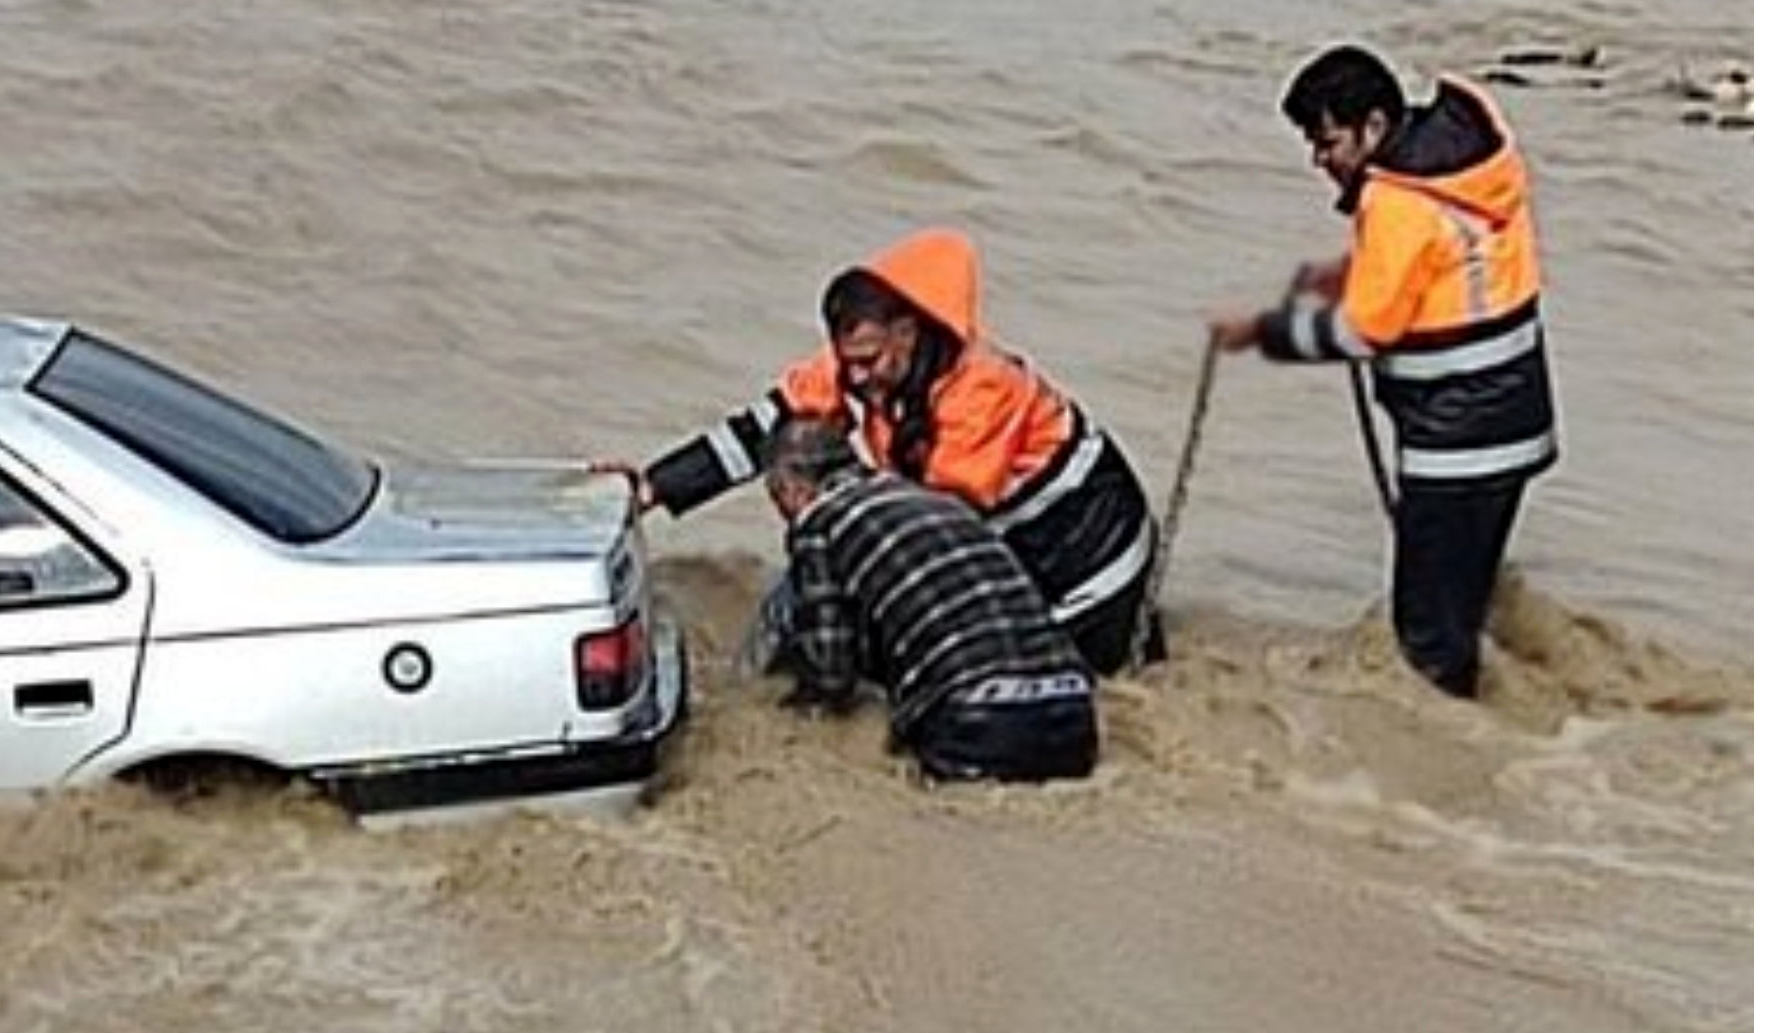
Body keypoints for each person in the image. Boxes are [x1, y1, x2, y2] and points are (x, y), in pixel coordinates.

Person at [622, 227, 1163, 674]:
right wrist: (652, 487)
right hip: (1009, 539)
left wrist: (828, 533)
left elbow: (935, 522)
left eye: (870, 360)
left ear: (906, 333)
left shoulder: (984, 389)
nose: (856, 377)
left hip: (1089, 565)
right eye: (847, 360)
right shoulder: (860, 360)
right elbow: (761, 427)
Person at [1208, 45, 1557, 699]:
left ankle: (1449, 759)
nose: (1319, 159)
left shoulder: (1395, 203)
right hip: (1516, 422)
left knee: (1423, 639)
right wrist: (1349, 274)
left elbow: (1360, 331)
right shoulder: (1460, 169)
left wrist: (1261, 331)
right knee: (1464, 604)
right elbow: (1451, 263)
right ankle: (1498, 726)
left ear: (1372, 127)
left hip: (1458, 444)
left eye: (1326, 139)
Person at [757, 416, 1099, 784]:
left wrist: (777, 713)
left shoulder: (820, 522)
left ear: (790, 488)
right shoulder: (936, 500)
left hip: (981, 725)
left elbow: (830, 673)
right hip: (1074, 719)